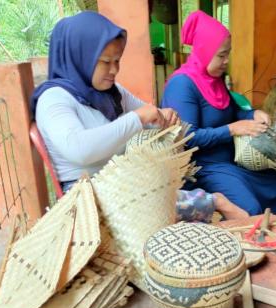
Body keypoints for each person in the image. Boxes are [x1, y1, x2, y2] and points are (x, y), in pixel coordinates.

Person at [30, 11, 248, 222]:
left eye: (117, 60)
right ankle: (216, 204)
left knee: (181, 188)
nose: (114, 70)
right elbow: (79, 150)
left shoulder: (111, 92)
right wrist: (137, 118)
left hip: (124, 183)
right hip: (88, 196)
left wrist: (164, 117)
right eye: (106, 62)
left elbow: (150, 114)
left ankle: (215, 207)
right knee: (191, 203)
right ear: (80, 57)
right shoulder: (54, 99)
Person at [161, 10, 276, 220]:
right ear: (204, 51)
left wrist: (253, 114)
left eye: (227, 54)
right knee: (248, 207)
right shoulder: (182, 84)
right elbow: (188, 138)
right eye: (221, 55)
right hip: (202, 168)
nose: (226, 61)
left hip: (230, 161)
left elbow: (234, 111)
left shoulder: (215, 79)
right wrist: (232, 129)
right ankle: (251, 250)